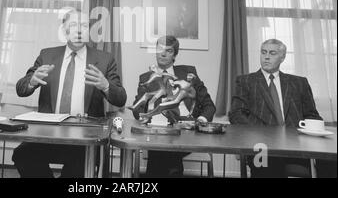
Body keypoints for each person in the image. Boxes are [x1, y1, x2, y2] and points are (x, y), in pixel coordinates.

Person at [13, 9, 127, 178]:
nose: (79, 30)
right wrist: (31, 81)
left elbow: (120, 99)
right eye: (73, 25)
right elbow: (21, 90)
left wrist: (106, 85)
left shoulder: (104, 59)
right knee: (22, 155)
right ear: (64, 30)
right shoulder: (47, 55)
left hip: (85, 136)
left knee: (77, 168)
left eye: (84, 26)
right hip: (48, 133)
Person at [229, 38, 334, 177]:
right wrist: (259, 135)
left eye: (272, 53)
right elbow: (236, 114)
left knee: (331, 159)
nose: (266, 57)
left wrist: (316, 132)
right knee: (267, 165)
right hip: (262, 146)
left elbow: (312, 115)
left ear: (282, 57)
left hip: (296, 145)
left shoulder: (299, 83)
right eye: (263, 52)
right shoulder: (245, 81)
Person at [132, 35, 216, 177]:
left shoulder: (189, 74)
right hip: (159, 130)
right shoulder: (146, 78)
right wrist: (148, 117)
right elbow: (137, 109)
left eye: (169, 51)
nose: (163, 53)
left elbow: (209, 106)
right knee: (162, 145)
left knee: (161, 151)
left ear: (175, 54)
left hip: (186, 130)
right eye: (159, 49)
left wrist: (199, 121)